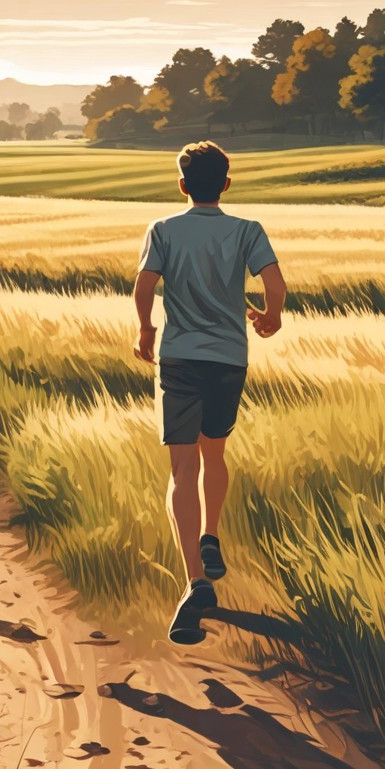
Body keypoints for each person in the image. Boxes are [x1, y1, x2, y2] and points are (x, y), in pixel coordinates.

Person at [132, 141, 286, 644]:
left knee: (182, 469)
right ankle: (212, 535)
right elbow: (275, 283)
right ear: (226, 183)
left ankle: (195, 580)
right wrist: (271, 315)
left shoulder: (164, 230)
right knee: (214, 453)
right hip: (228, 359)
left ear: (182, 185)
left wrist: (146, 331)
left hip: (178, 358)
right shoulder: (247, 230)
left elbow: (145, 283)